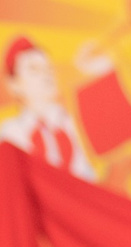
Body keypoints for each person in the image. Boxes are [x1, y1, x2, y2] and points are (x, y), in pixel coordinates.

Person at [0, 38, 95, 180]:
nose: (46, 75)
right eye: (35, 69)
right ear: (14, 84)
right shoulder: (9, 134)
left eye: (49, 68)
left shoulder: (76, 123)